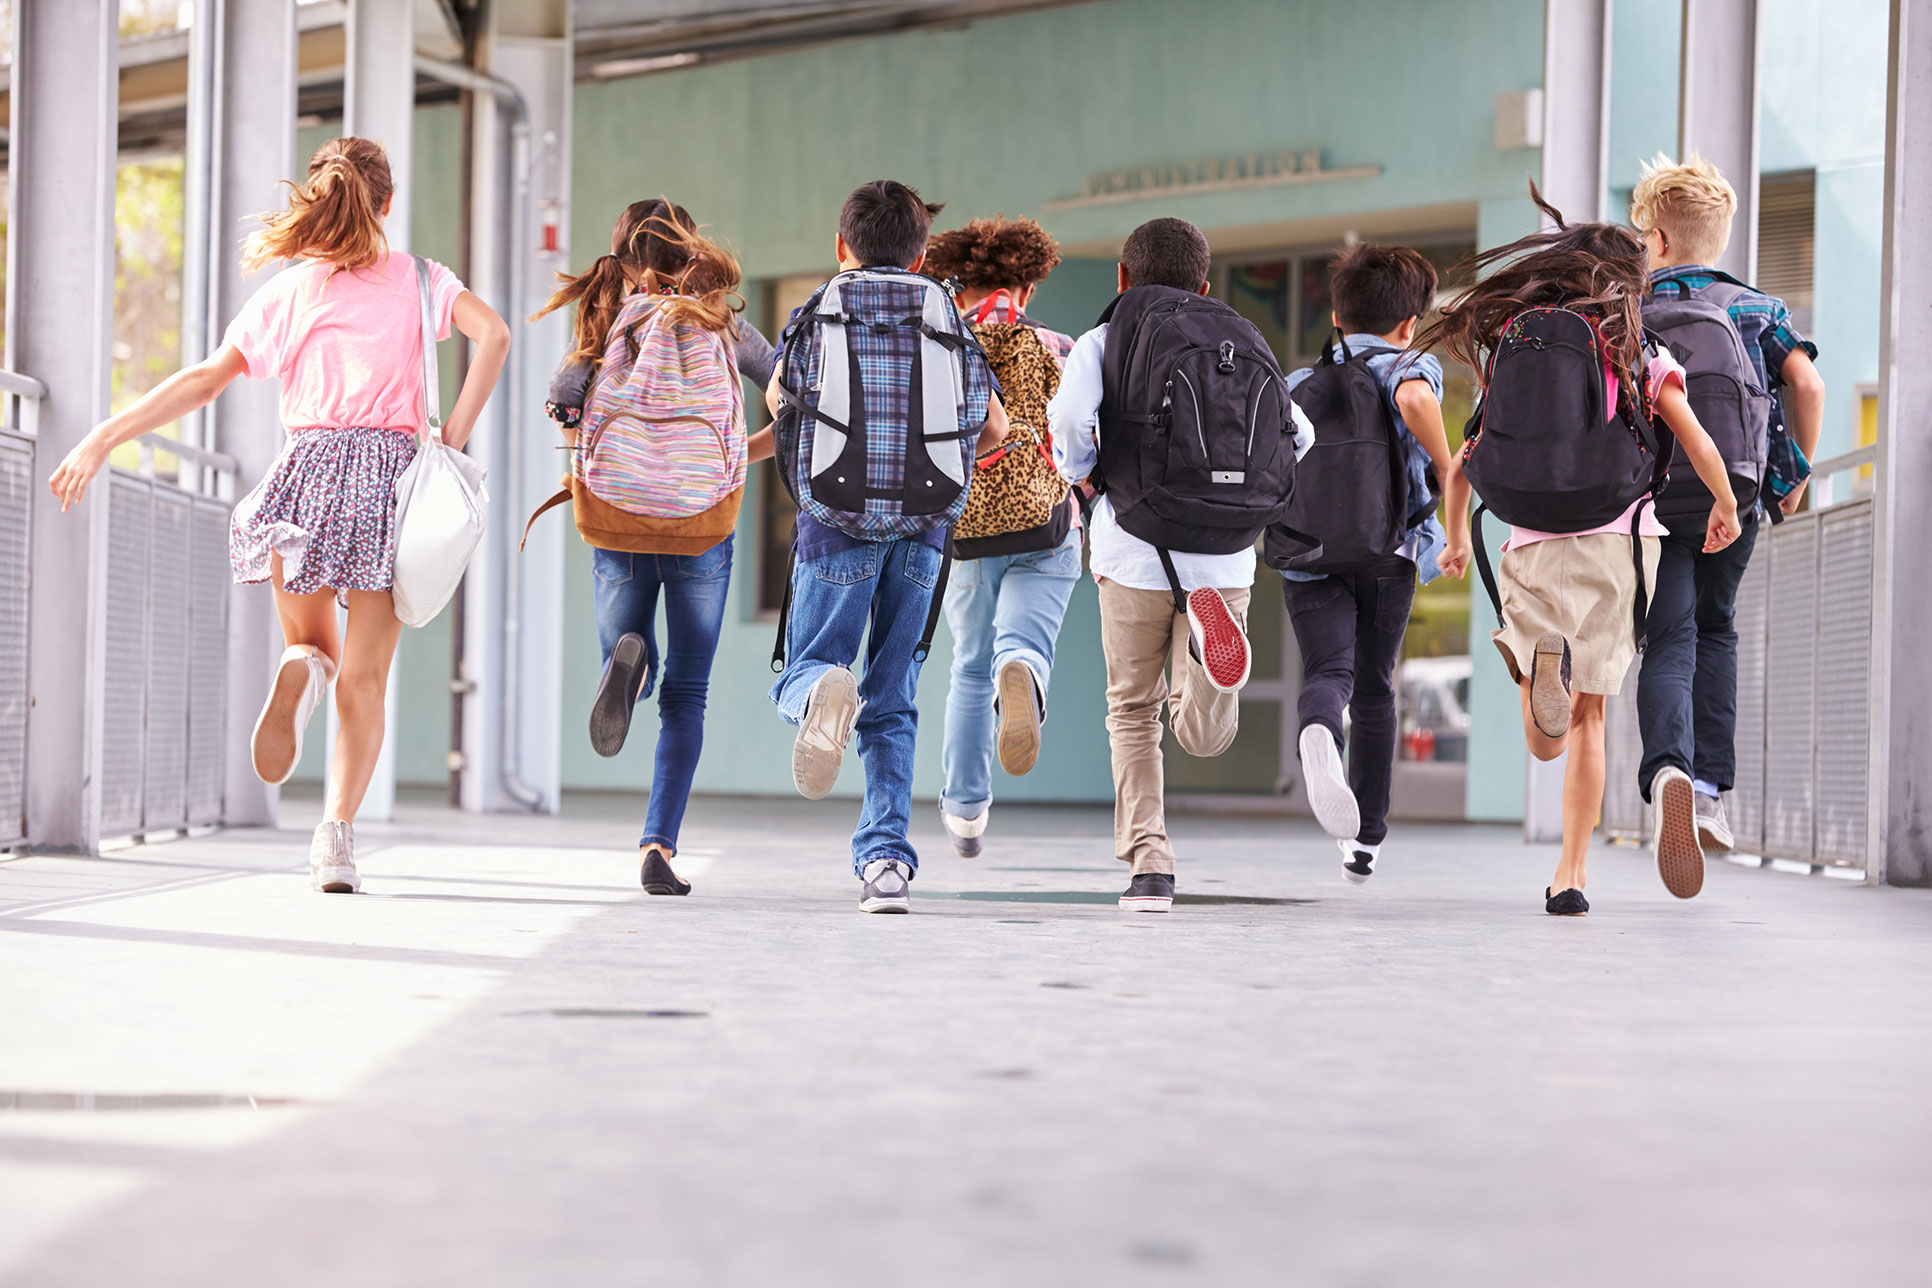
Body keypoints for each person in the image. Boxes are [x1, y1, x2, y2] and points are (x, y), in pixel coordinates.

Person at [48, 136, 509, 894]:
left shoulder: (294, 292)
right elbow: (492, 334)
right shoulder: (422, 280)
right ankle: (336, 839)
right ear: (387, 204)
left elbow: (204, 381)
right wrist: (449, 438)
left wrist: (104, 434)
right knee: (365, 682)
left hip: (304, 475)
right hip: (389, 485)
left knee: (313, 648)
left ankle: (300, 668)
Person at [1430, 186, 1741, 915]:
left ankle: (1546, 678)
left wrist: (1450, 541)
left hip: (1529, 545)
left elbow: (1459, 467)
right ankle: (1574, 872)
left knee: (1549, 734)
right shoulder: (1637, 346)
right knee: (1593, 716)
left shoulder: (1518, 343)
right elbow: (1694, 438)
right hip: (1617, 541)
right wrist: (1724, 504)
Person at [1050, 217, 1314, 912]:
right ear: (1205, 282)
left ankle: (1151, 864)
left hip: (1132, 548)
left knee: (1133, 713)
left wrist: (1082, 475)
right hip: (1224, 560)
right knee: (1203, 734)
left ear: (1122, 279)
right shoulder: (1238, 336)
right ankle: (1208, 667)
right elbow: (1300, 434)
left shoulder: (1104, 339)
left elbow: (1071, 422)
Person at [763, 180, 1007, 913]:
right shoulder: (947, 314)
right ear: (923, 251)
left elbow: (780, 402)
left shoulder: (820, 309)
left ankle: (818, 695)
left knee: (804, 670)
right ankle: (886, 867)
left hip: (834, 523)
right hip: (926, 530)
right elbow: (990, 427)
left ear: (843, 247)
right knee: (893, 696)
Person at [532, 200, 772, 897]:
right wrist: (737, 458)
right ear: (691, 251)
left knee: (627, 646)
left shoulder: (606, 323)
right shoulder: (722, 320)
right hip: (703, 520)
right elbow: (791, 394)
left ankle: (627, 664)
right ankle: (659, 845)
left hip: (621, 517)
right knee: (688, 696)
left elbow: (566, 404)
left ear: (625, 262)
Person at [1629, 155, 1826, 857]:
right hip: (1734, 496)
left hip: (1650, 498)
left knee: (1668, 636)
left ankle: (1668, 772)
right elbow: (1807, 386)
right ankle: (1708, 795)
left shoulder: (1632, 310)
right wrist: (1793, 474)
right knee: (1717, 630)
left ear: (1655, 239)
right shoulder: (1756, 307)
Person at [1278, 244, 1459, 884]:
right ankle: (1366, 840)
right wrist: (1446, 466)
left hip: (1310, 552)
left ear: (1335, 314)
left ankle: (1320, 728)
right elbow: (1414, 403)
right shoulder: (1412, 365)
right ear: (1411, 321)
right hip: (1389, 550)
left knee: (1330, 671)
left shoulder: (1297, 383)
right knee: (1378, 685)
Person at [921, 216, 1081, 858]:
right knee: (1021, 645)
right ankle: (1026, 670)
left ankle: (964, 811)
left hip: (965, 532)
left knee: (968, 668)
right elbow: (1080, 439)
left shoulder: (941, 348)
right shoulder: (1055, 346)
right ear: (1028, 284)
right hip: (1043, 523)